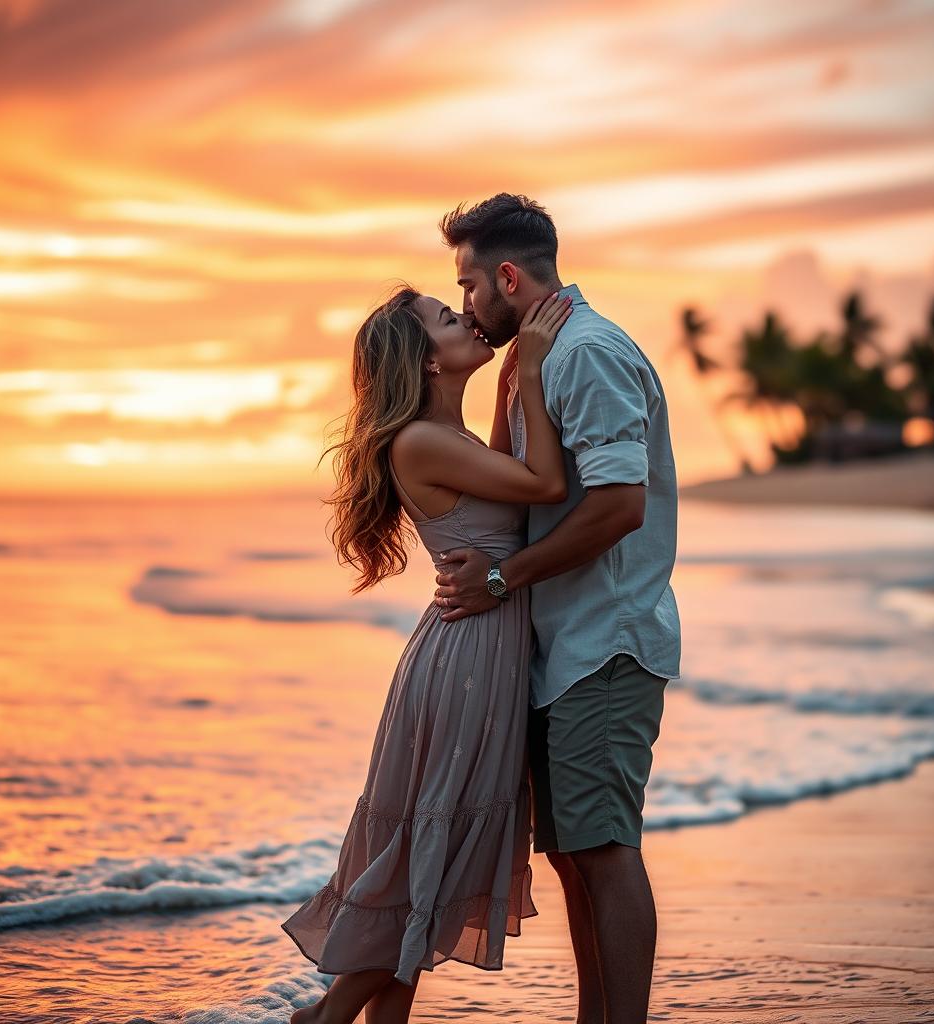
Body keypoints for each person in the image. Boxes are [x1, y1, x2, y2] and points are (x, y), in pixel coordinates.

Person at [282, 286, 574, 1024]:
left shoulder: (456, 438)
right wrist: (530, 372)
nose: (468, 320)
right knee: (432, 858)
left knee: (434, 855)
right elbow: (545, 484)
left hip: (477, 648)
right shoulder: (420, 440)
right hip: (467, 658)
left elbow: (516, 493)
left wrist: (511, 383)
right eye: (449, 320)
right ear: (423, 359)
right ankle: (325, 1016)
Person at [433, 193, 682, 1024]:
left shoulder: (585, 354)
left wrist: (502, 583)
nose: (466, 303)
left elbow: (618, 507)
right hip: (561, 647)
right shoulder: (536, 358)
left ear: (507, 276)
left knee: (605, 851)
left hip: (602, 643)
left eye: (468, 285)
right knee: (578, 855)